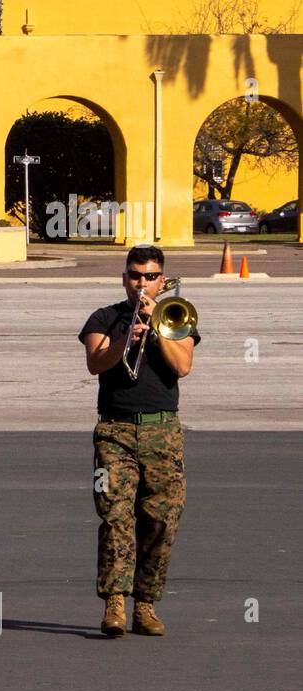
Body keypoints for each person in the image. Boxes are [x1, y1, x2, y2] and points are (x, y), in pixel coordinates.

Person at [79, 246, 198, 637]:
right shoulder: (104, 317)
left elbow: (182, 366)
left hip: (163, 431)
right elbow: (96, 363)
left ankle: (145, 603)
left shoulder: (176, 316)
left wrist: (157, 325)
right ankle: (115, 602)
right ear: (124, 277)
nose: (141, 283)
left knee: (162, 520)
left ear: (162, 280)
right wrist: (126, 338)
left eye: (149, 277)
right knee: (115, 517)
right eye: (134, 275)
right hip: (115, 431)